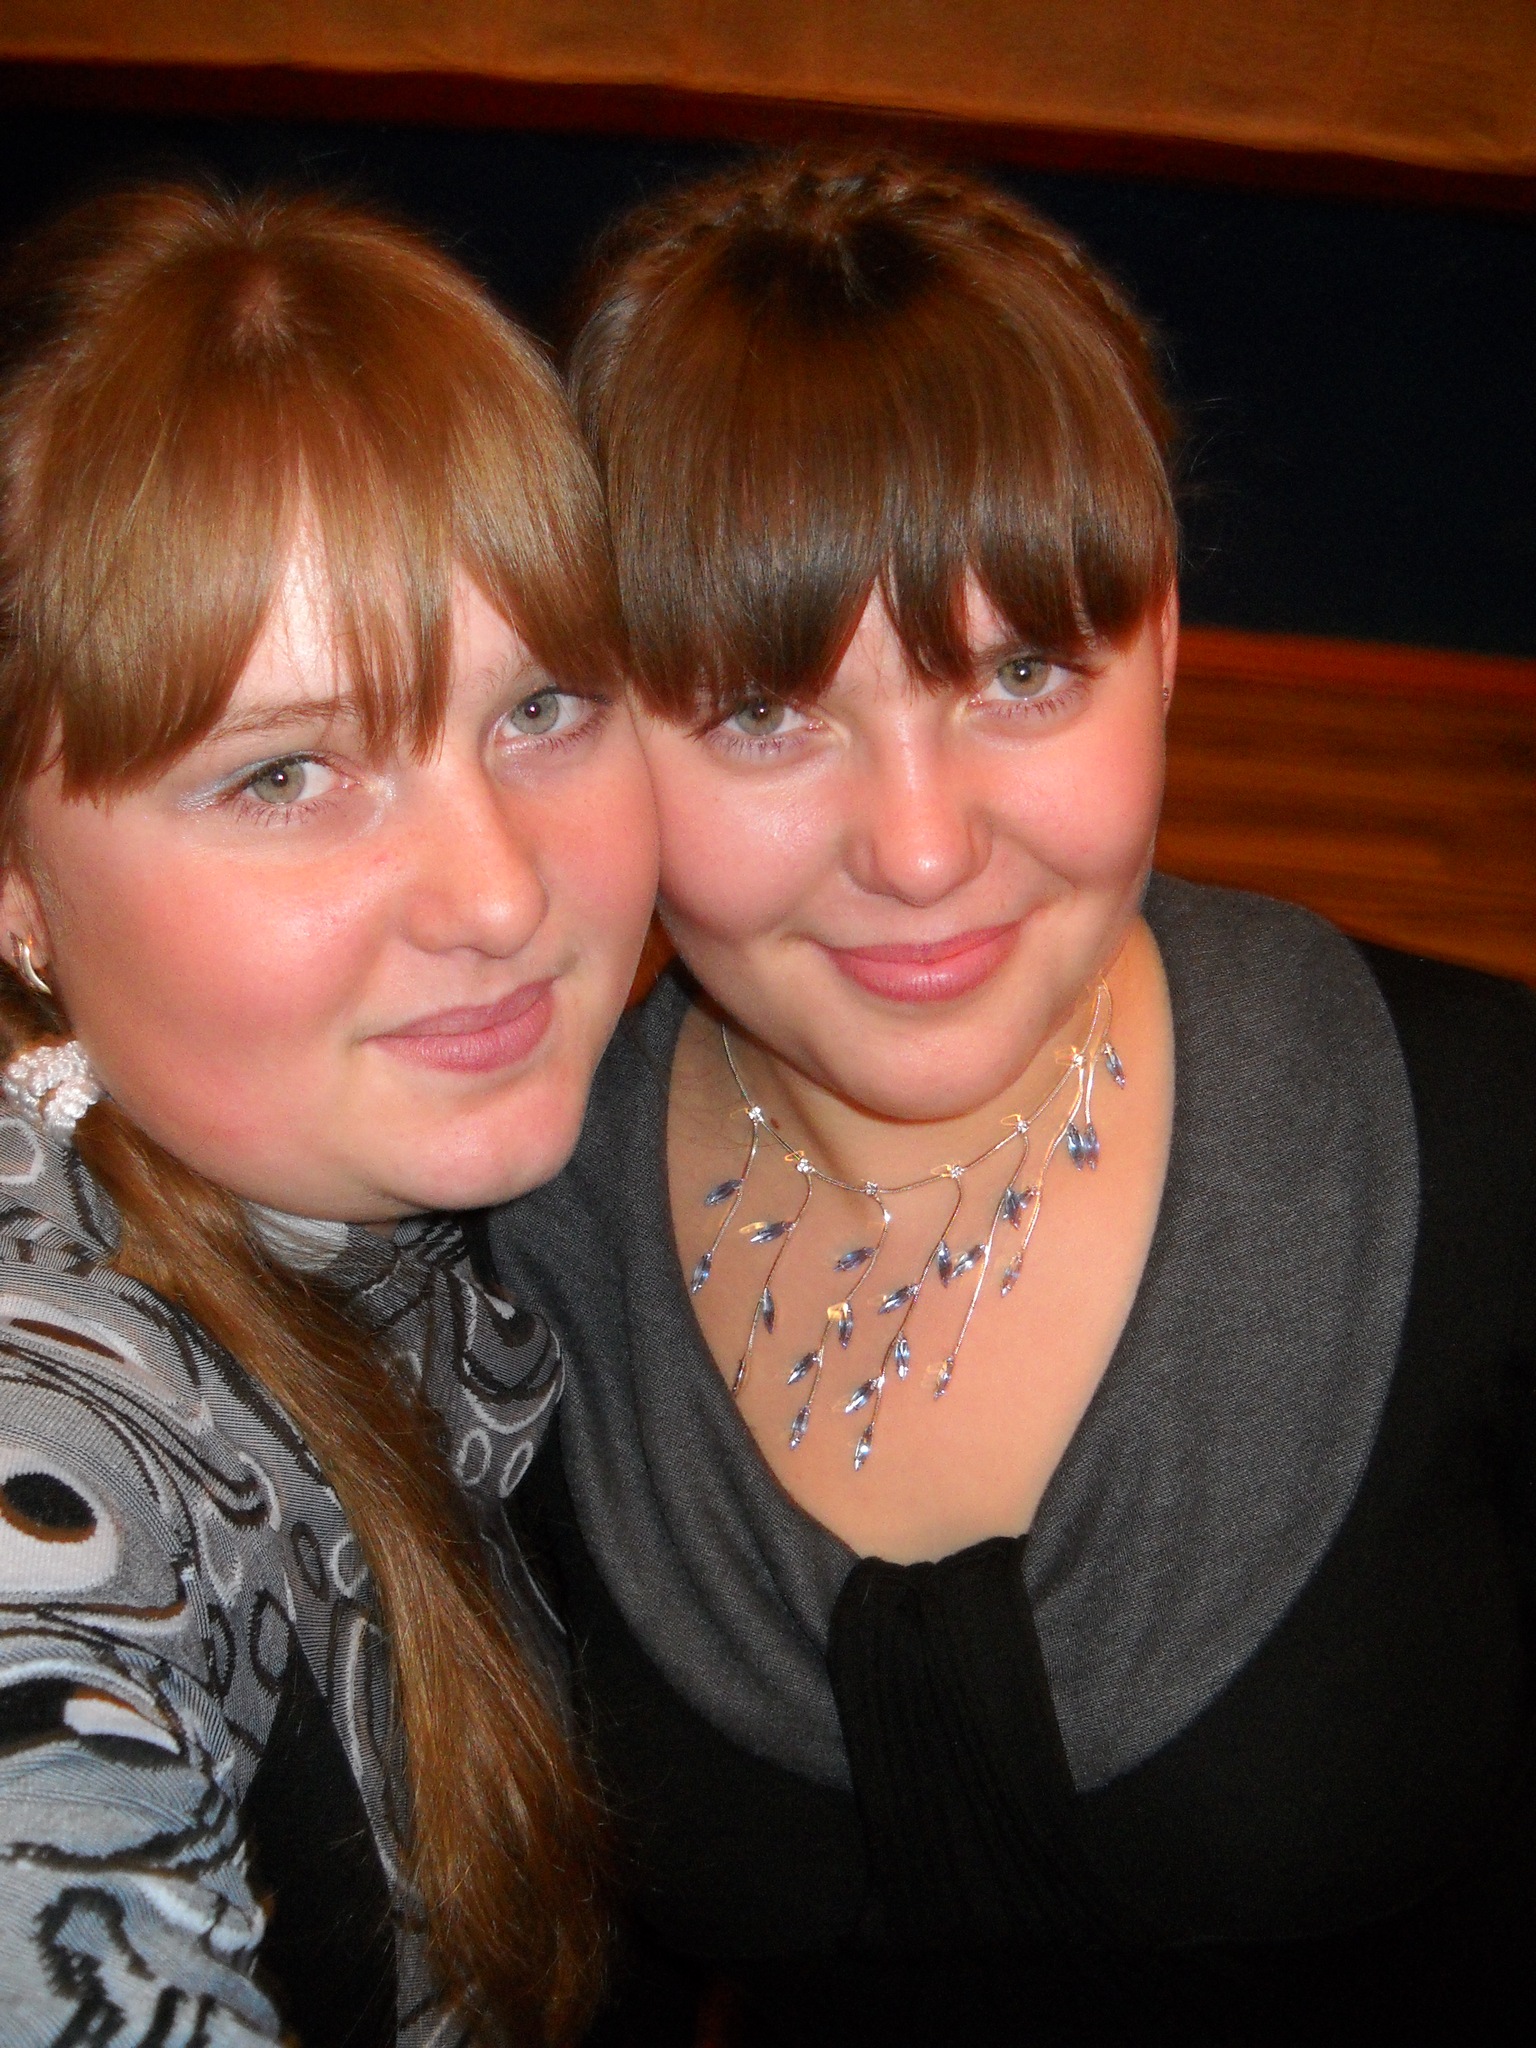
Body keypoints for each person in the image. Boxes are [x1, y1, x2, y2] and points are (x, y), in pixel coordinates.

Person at [487, 152, 1536, 2046]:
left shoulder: (1489, 1143)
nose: (918, 850)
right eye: (764, 711)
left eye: (1026, 671)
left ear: (1168, 646)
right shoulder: (504, 1270)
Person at [0, 185, 659, 2047]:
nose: (500, 894)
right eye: (286, 773)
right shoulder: (58, 1460)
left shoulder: (475, 1191)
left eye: (543, 708)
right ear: (18, 886)